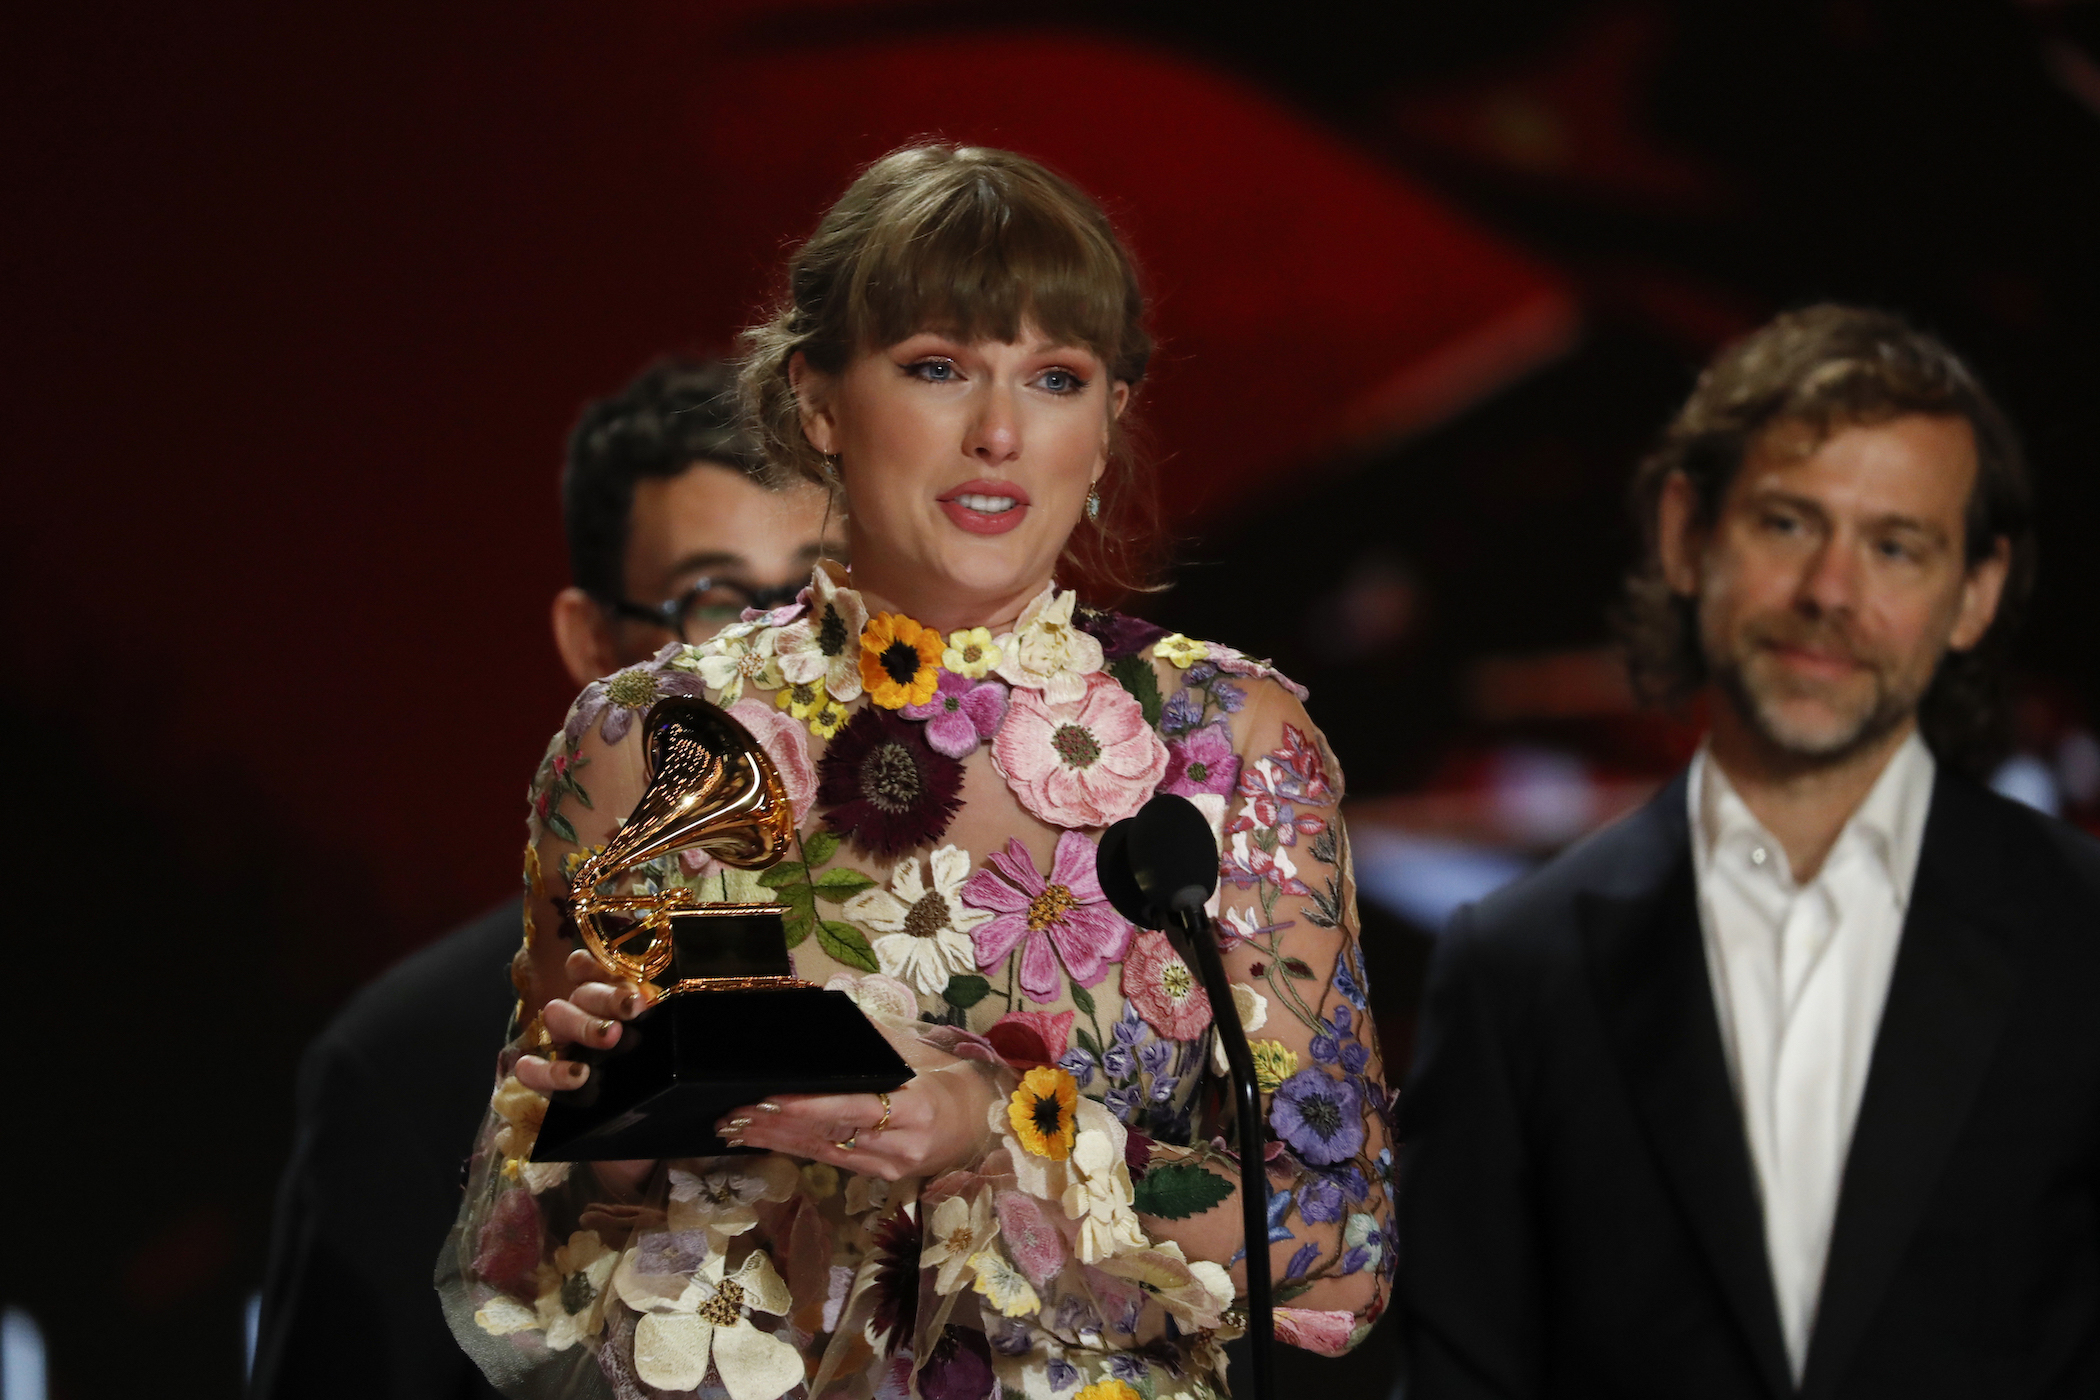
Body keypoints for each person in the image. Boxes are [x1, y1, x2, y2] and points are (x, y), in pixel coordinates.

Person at [437, 144, 1395, 1400]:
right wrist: (599, 1135)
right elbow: (511, 1276)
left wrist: (1000, 1128)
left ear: (1107, 423)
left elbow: (1339, 1254)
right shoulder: (642, 738)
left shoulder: (1234, 741)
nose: (998, 433)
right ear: (818, 404)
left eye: (1055, 377)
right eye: (937, 368)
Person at [1398, 305, 2100, 1398]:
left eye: (1896, 545)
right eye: (1785, 522)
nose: (1831, 591)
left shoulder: (2084, 939)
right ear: (1687, 533)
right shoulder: (1514, 967)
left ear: (1976, 594)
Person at [251, 359, 835, 1400]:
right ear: (593, 640)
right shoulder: (408, 1064)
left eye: (812, 590)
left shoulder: (998, 959)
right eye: (715, 602)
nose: (775, 653)